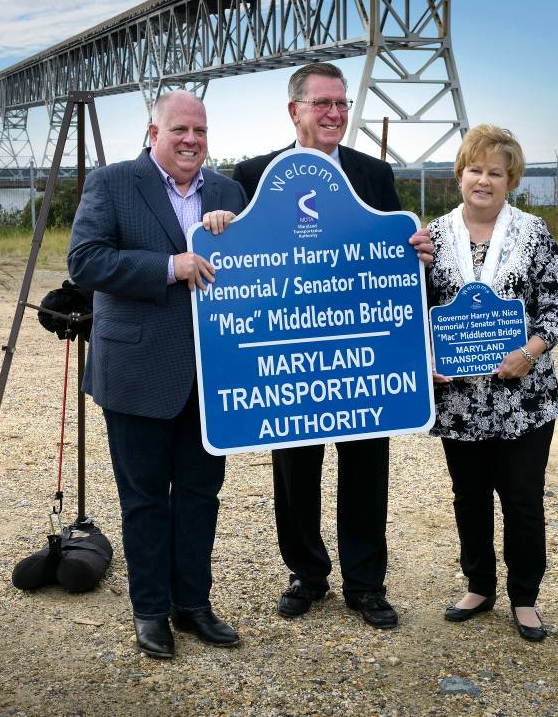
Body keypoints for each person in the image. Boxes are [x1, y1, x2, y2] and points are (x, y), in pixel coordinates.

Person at [232, 62, 433, 629]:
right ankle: (307, 573)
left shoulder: (374, 174)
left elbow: (396, 253)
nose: (335, 114)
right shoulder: (252, 175)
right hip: (288, 354)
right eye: (323, 103)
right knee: (294, 472)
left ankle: (366, 585)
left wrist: (414, 253)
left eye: (342, 104)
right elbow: (228, 249)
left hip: (361, 351)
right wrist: (220, 221)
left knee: (366, 469)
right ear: (294, 110)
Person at [68, 91, 247, 659]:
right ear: (154, 133)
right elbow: (86, 261)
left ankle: (193, 604)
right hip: (137, 371)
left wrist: (232, 232)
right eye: (180, 131)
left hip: (210, 376)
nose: (192, 140)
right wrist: (171, 267)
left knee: (201, 496)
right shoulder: (112, 182)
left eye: (200, 130)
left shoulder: (228, 192)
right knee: (144, 499)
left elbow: (253, 266)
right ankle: (150, 612)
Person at [425, 124, 558, 642]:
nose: (483, 179)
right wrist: (427, 358)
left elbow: (557, 304)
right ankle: (479, 585)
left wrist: (529, 353)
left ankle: (525, 597)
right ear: (459, 175)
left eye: (495, 172)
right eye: (474, 169)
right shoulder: (431, 236)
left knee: (523, 498)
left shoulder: (534, 232)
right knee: (469, 497)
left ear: (511, 181)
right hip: (458, 398)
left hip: (523, 397)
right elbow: (410, 309)